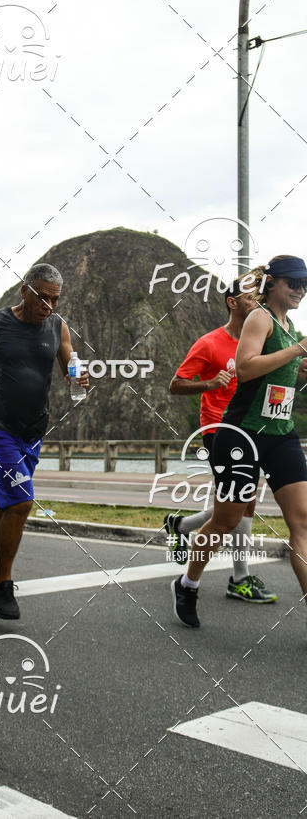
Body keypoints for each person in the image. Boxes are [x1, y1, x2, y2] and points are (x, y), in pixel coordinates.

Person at [172, 256, 307, 628]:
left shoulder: (288, 325)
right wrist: (296, 351)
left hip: (280, 434)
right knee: (226, 521)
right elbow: (245, 368)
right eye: (293, 282)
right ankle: (187, 584)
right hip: (241, 436)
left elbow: (277, 384)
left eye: (305, 284)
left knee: (302, 522)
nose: (300, 290)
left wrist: (298, 368)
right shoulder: (259, 317)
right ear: (274, 283)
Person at [0, 263, 89, 620]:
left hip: (32, 430)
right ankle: (4, 584)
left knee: (4, 503)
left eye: (55, 300)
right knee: (22, 503)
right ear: (25, 289)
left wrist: (79, 379)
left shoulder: (57, 327)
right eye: (43, 297)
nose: (49, 306)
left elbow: (68, 369)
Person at [166, 276, 277, 603]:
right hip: (217, 430)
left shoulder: (262, 338)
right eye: (248, 295)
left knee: (234, 506)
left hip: (251, 429)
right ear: (232, 302)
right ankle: (240, 578)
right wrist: (211, 383)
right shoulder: (210, 343)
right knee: (240, 504)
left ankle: (181, 526)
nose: (256, 298)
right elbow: (176, 384)